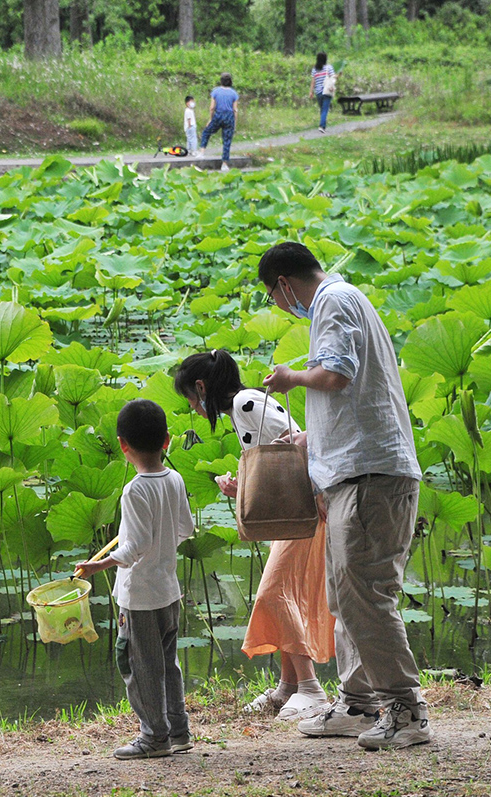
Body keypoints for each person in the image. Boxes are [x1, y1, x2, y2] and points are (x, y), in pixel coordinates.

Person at [258, 242, 431, 751]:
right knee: (347, 595)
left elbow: (335, 374)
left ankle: (406, 709)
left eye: (275, 295)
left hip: (371, 477)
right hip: (355, 472)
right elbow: (358, 395)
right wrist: (311, 440)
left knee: (367, 596)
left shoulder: (333, 300)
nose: (279, 304)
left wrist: (290, 378)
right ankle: (360, 703)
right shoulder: (347, 300)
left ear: (285, 284)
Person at [174, 350, 335, 722]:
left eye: (191, 399)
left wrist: (319, 494)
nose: (194, 408)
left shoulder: (247, 402)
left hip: (307, 510)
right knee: (285, 591)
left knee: (275, 592)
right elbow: (271, 460)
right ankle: (287, 687)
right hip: (290, 514)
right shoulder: (239, 411)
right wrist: (239, 485)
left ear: (201, 387)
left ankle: (311, 688)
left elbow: (300, 441)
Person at [76, 399, 195, 760]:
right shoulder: (174, 479)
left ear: (122, 445)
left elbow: (136, 546)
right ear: (167, 440)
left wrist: (101, 565)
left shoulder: (134, 490)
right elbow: (186, 529)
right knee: (167, 663)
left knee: (137, 664)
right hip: (169, 592)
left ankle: (153, 737)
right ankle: (178, 731)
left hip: (140, 597)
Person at [196, 72, 239, 172]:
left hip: (218, 115)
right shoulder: (234, 93)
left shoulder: (215, 92)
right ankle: (224, 164)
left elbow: (212, 108)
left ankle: (202, 152)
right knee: (227, 140)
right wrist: (234, 121)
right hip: (229, 117)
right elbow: (235, 109)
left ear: (221, 81)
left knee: (207, 132)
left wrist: (211, 119)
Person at [311, 52, 336, 134]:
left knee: (322, 109)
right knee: (325, 109)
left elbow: (313, 82)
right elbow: (333, 78)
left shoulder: (314, 69)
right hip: (327, 91)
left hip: (318, 92)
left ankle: (323, 125)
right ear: (325, 59)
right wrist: (339, 75)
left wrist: (311, 92)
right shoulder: (329, 67)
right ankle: (322, 126)